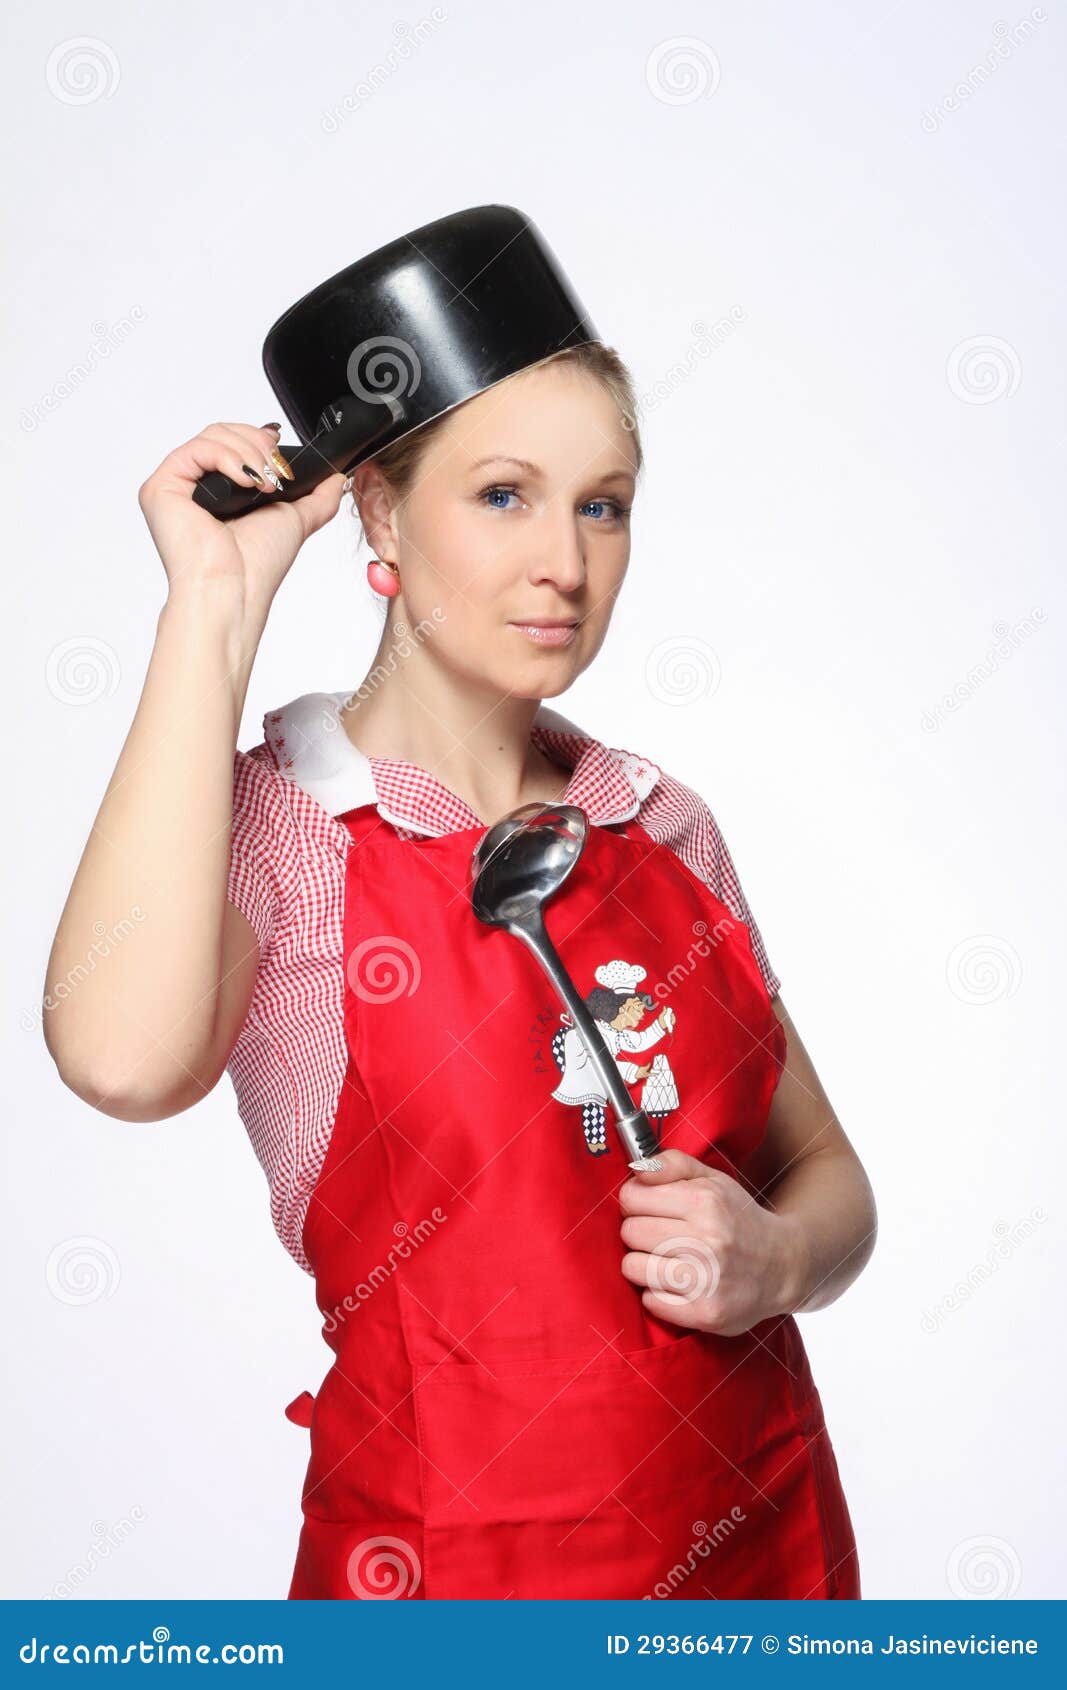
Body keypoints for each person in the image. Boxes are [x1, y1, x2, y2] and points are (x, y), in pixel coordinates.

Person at [43, 338, 875, 1601]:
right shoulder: (287, 830)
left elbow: (824, 1176)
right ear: (378, 507)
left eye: (601, 504)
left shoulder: (660, 821)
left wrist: (779, 1261)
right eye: (503, 494)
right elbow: (119, 1061)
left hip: (759, 1554)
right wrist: (212, 605)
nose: (566, 560)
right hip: (444, 1585)